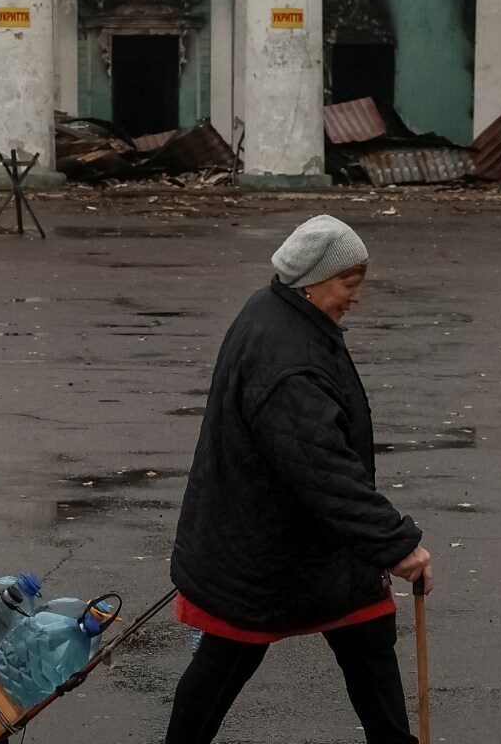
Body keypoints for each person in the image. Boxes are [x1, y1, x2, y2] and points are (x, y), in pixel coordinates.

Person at [167, 214, 432, 744]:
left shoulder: (275, 311)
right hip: (264, 551)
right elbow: (323, 467)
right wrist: (394, 543)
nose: (354, 299)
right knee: (228, 657)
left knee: (367, 635)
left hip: (304, 542)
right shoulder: (289, 357)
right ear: (312, 279)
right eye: (348, 285)